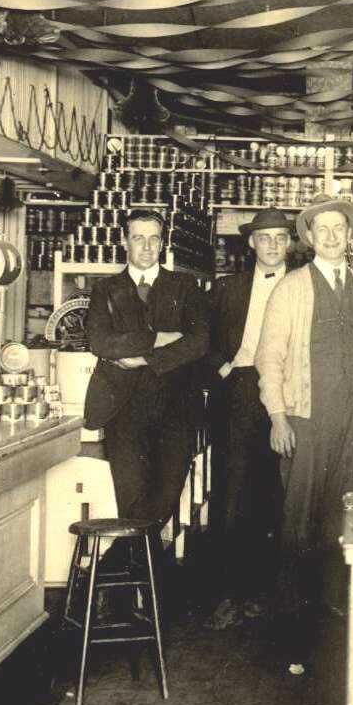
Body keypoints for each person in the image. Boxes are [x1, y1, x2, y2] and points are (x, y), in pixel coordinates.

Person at [255, 197, 353, 678]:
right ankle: (291, 634)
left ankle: (332, 624)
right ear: (309, 238)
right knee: (298, 525)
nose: (332, 237)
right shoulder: (291, 288)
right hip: (306, 421)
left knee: (343, 519)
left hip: (352, 421)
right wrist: (278, 417)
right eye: (322, 229)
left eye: (339, 228)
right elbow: (269, 357)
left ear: (350, 234)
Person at [84, 208, 209, 542]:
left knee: (165, 495)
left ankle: (127, 561)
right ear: (124, 241)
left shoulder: (184, 286)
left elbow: (199, 341)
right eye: (138, 238)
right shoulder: (105, 289)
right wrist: (157, 339)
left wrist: (142, 359)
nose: (147, 247)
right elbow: (100, 342)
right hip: (123, 410)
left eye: (154, 239)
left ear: (163, 242)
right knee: (131, 499)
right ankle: (143, 569)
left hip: (176, 409)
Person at [204, 209, 295, 630]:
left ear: (289, 243)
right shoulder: (227, 288)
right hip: (240, 392)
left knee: (275, 493)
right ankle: (227, 594)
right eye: (264, 237)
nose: (272, 245)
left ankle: (263, 594)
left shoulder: (303, 286)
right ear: (251, 243)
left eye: (280, 237)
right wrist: (223, 369)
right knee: (232, 491)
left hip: (288, 395)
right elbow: (201, 337)